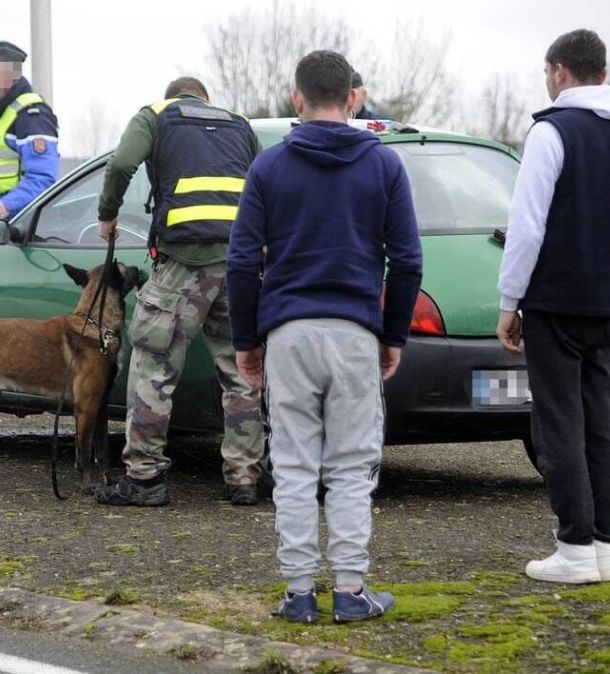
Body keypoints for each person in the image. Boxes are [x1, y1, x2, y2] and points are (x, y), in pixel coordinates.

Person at [229, 50, 422, 622]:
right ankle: (350, 590)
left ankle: (297, 594)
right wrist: (394, 335)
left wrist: (247, 340)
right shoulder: (384, 166)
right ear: (353, 99)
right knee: (352, 465)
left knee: (292, 466)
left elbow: (242, 263)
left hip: (288, 333)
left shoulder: (269, 168)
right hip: (356, 333)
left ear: (297, 98)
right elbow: (407, 261)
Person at [496, 29, 610, 584]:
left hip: (556, 304)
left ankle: (574, 546)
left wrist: (509, 300)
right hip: (609, 307)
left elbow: (527, 227)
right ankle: (605, 546)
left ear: (559, 71)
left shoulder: (550, 131)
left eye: (547, 73)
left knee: (557, 423)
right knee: (602, 423)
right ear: (603, 73)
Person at [92, 76, 265, 507]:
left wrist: (106, 216)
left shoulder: (155, 115)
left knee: (153, 368)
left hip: (182, 265)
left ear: (174, 96)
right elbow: (264, 184)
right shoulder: (240, 123)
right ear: (205, 98)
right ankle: (243, 479)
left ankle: (145, 479)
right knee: (242, 372)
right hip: (237, 265)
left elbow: (120, 165)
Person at [0, 41, 59, 238]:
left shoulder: (32, 115)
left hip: (19, 233)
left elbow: (44, 178)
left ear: (13, 76)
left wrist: (6, 205)